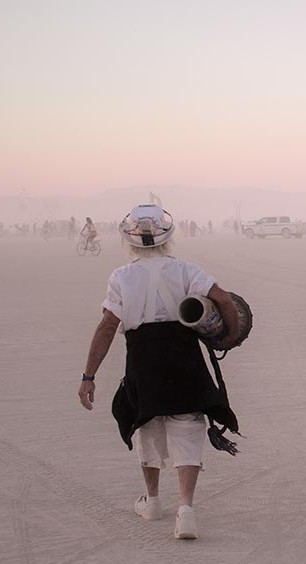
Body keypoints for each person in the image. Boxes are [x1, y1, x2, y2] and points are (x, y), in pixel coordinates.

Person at [77, 204, 242, 540]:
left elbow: (108, 325)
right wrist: (231, 335)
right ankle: (186, 510)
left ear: (129, 240)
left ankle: (152, 501)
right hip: (183, 356)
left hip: (143, 361)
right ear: (168, 237)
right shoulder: (186, 270)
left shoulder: (121, 277)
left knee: (147, 425)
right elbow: (224, 299)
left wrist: (88, 376)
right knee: (187, 426)